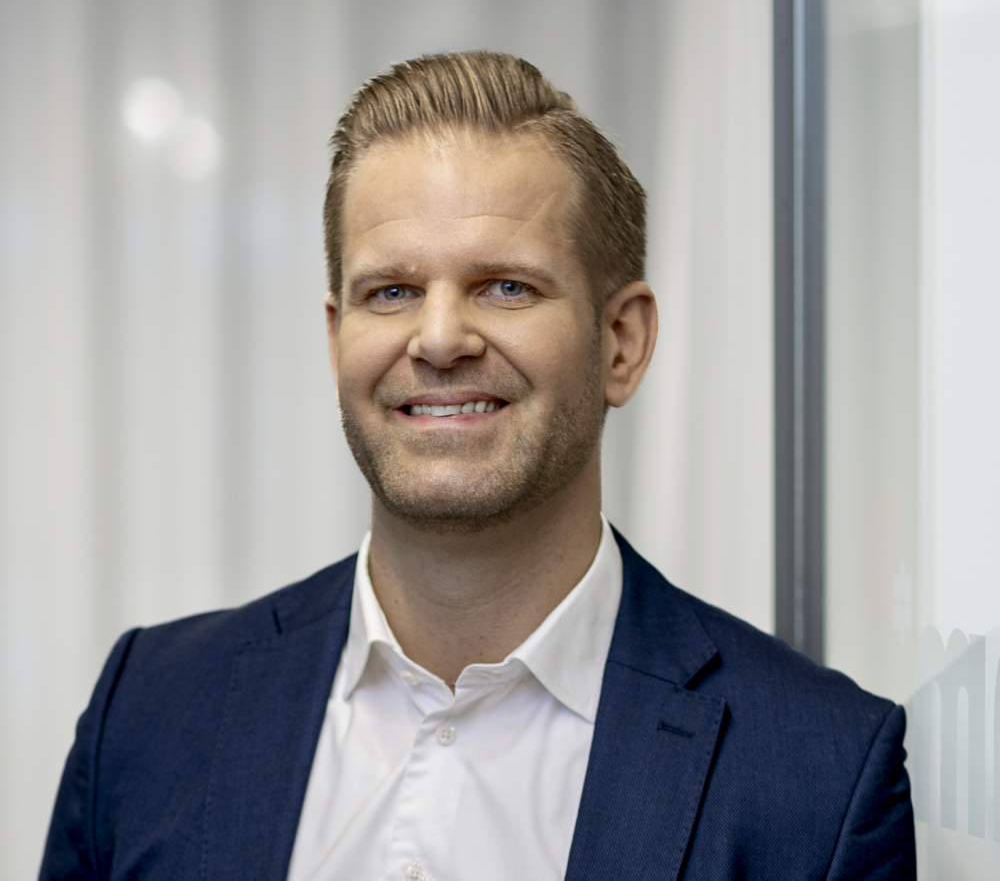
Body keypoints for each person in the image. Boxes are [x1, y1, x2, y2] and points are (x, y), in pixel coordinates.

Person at [40, 51, 915, 881]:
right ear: (337, 339)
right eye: (392, 291)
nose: (439, 338)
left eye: (506, 286)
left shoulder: (822, 778)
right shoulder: (149, 711)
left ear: (621, 342)